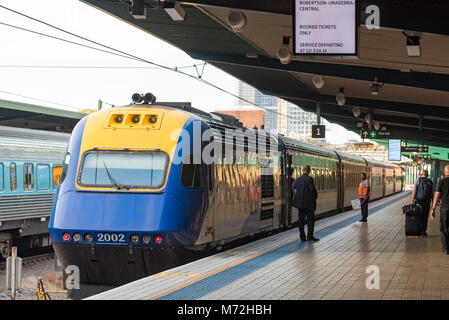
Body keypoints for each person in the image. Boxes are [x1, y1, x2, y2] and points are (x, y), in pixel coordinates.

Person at [292, 165, 319, 242]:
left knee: (301, 220)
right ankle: (310, 236)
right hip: (309, 204)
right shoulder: (309, 179)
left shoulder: (297, 180)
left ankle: (302, 237)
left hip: (300, 204)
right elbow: (313, 190)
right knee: (310, 221)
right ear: (309, 171)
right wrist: (314, 197)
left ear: (302, 170)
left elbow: (294, 189)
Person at [431, 165, 449, 254]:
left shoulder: (441, 181)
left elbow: (436, 196)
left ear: (445, 172)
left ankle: (446, 248)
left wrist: (433, 209)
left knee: (443, 228)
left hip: (445, 208)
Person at [411, 169, 434, 236]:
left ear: (422, 174)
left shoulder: (418, 180)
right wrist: (433, 202)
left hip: (419, 201)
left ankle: (419, 231)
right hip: (427, 202)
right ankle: (423, 231)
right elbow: (432, 193)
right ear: (428, 175)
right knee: (425, 216)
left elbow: (414, 190)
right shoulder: (430, 181)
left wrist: (412, 200)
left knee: (418, 215)